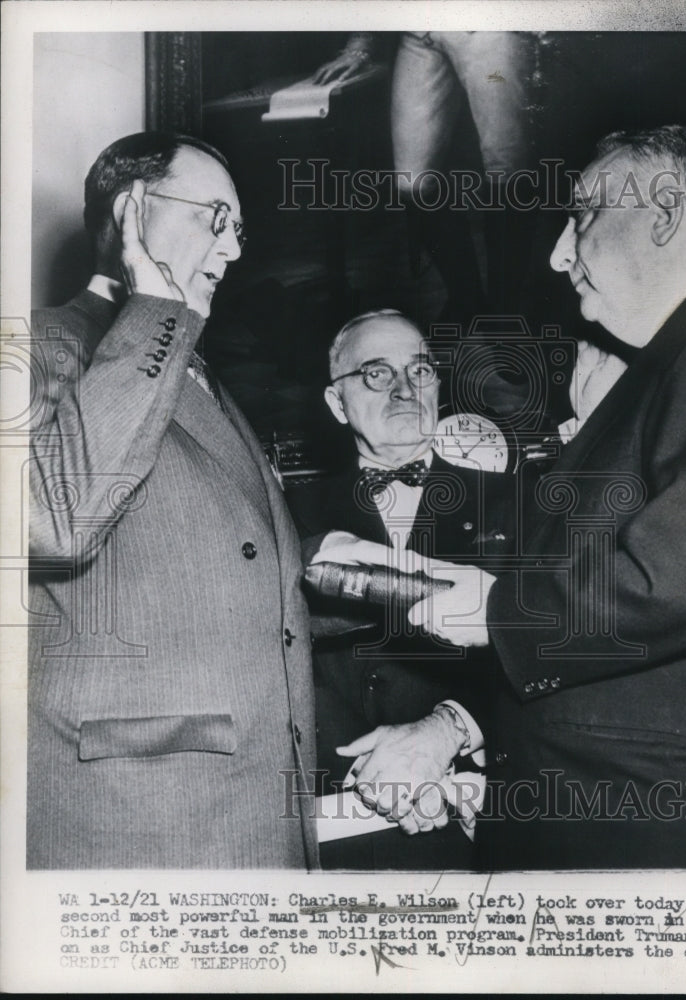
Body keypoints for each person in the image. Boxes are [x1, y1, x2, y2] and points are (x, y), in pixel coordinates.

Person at [398, 125, 686, 868]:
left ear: (663, 214)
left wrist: (496, 613)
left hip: (655, 828)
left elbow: (680, 578)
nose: (559, 253)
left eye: (583, 215)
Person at [27, 132, 318, 869]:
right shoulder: (34, 346)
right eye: (215, 218)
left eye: (240, 228)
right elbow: (54, 518)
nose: (234, 249)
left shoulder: (194, 365)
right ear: (132, 210)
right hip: (142, 820)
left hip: (247, 808)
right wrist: (156, 308)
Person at [286, 309, 515, 869]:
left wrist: (449, 731)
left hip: (474, 810)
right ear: (337, 403)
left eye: (420, 370)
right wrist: (371, 773)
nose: (405, 389)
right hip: (335, 815)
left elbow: (553, 651)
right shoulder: (283, 517)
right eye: (376, 373)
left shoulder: (520, 501)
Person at [314, 32, 537, 322]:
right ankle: (466, 299)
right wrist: (360, 44)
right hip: (420, 33)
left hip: (489, 28)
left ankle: (505, 312)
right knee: (413, 184)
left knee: (508, 171)